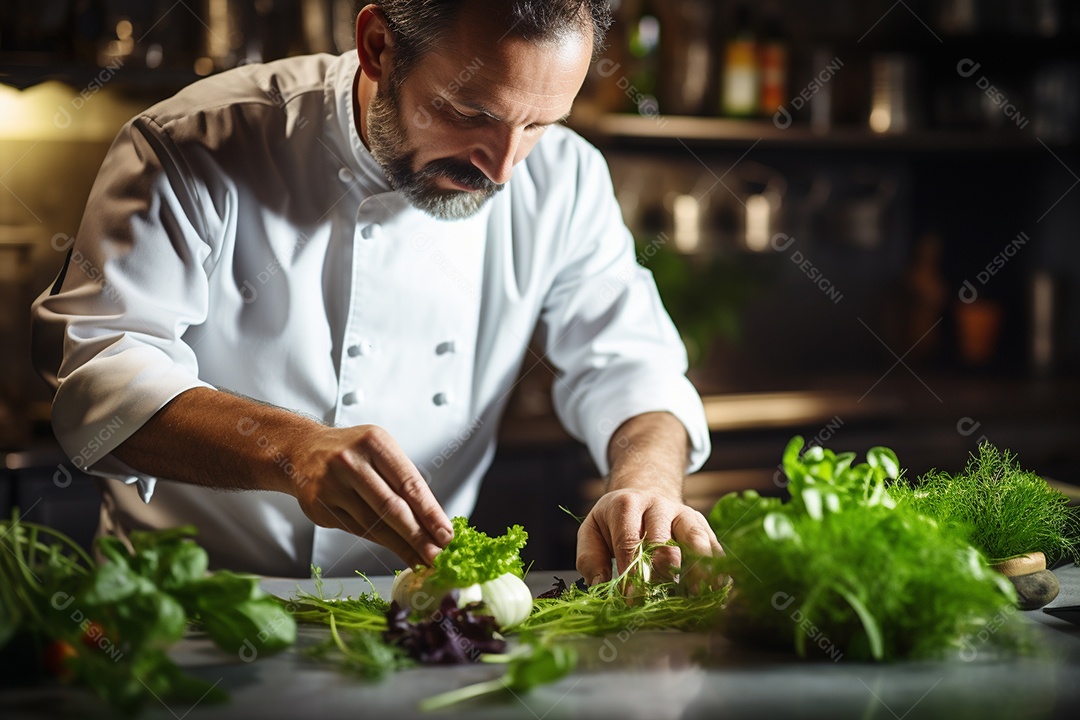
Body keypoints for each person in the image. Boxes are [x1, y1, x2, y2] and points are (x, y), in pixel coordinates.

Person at [31, 0, 722, 584]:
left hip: (415, 617)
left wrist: (646, 484)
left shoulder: (566, 182)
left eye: (541, 123)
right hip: (186, 610)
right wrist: (292, 450)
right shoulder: (194, 144)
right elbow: (99, 375)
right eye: (469, 112)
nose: (505, 167)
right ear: (378, 46)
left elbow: (636, 370)